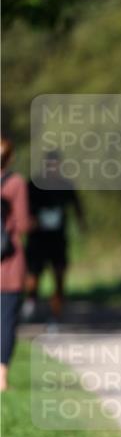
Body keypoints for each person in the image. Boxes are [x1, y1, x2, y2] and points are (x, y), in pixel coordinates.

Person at [24, 150, 85, 322]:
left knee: (59, 275)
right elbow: (24, 207)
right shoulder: (35, 184)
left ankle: (56, 313)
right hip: (38, 237)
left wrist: (82, 224)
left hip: (58, 238)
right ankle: (31, 300)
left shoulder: (65, 184)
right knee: (34, 274)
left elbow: (76, 205)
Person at [1, 137, 30, 391]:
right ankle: (1, 376)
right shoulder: (16, 183)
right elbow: (22, 224)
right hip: (9, 262)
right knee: (7, 319)